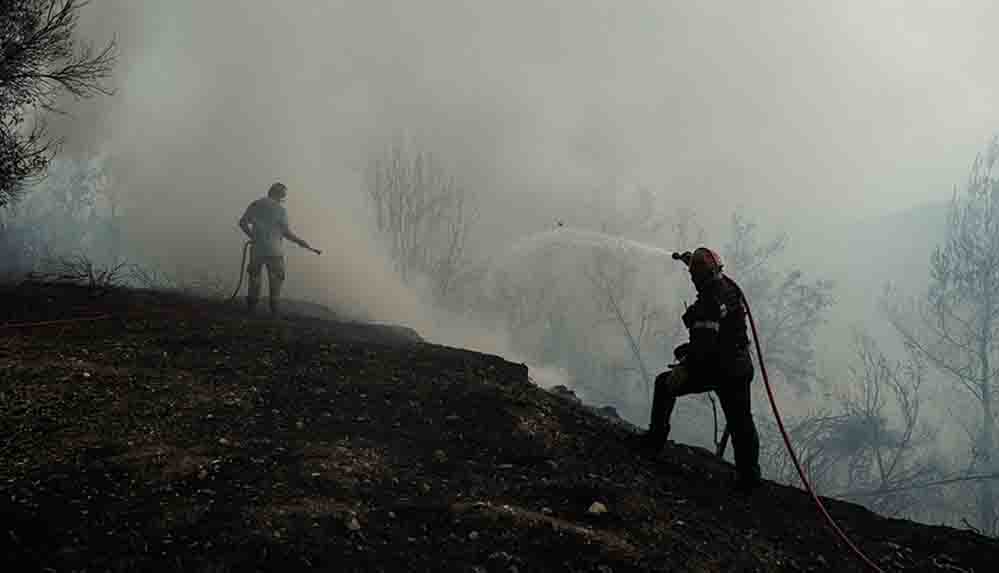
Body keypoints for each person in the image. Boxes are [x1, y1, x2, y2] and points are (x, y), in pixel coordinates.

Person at [641, 247, 762, 492]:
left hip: (719, 368)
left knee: (665, 384)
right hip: (738, 366)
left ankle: (653, 443)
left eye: (694, 275)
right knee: (741, 422)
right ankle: (749, 478)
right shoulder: (727, 286)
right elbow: (717, 335)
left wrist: (685, 359)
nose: (693, 280)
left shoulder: (708, 303)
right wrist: (690, 259)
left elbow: (704, 349)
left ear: (702, 276)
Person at [238, 182, 321, 315]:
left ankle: (251, 309)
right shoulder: (280, 210)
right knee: (276, 279)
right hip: (274, 251)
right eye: (283, 196)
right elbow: (286, 233)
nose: (283, 199)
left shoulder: (256, 204)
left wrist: (253, 237)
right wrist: (302, 243)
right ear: (279, 195)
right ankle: (274, 310)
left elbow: (242, 223)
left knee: (254, 277)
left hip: (257, 249)